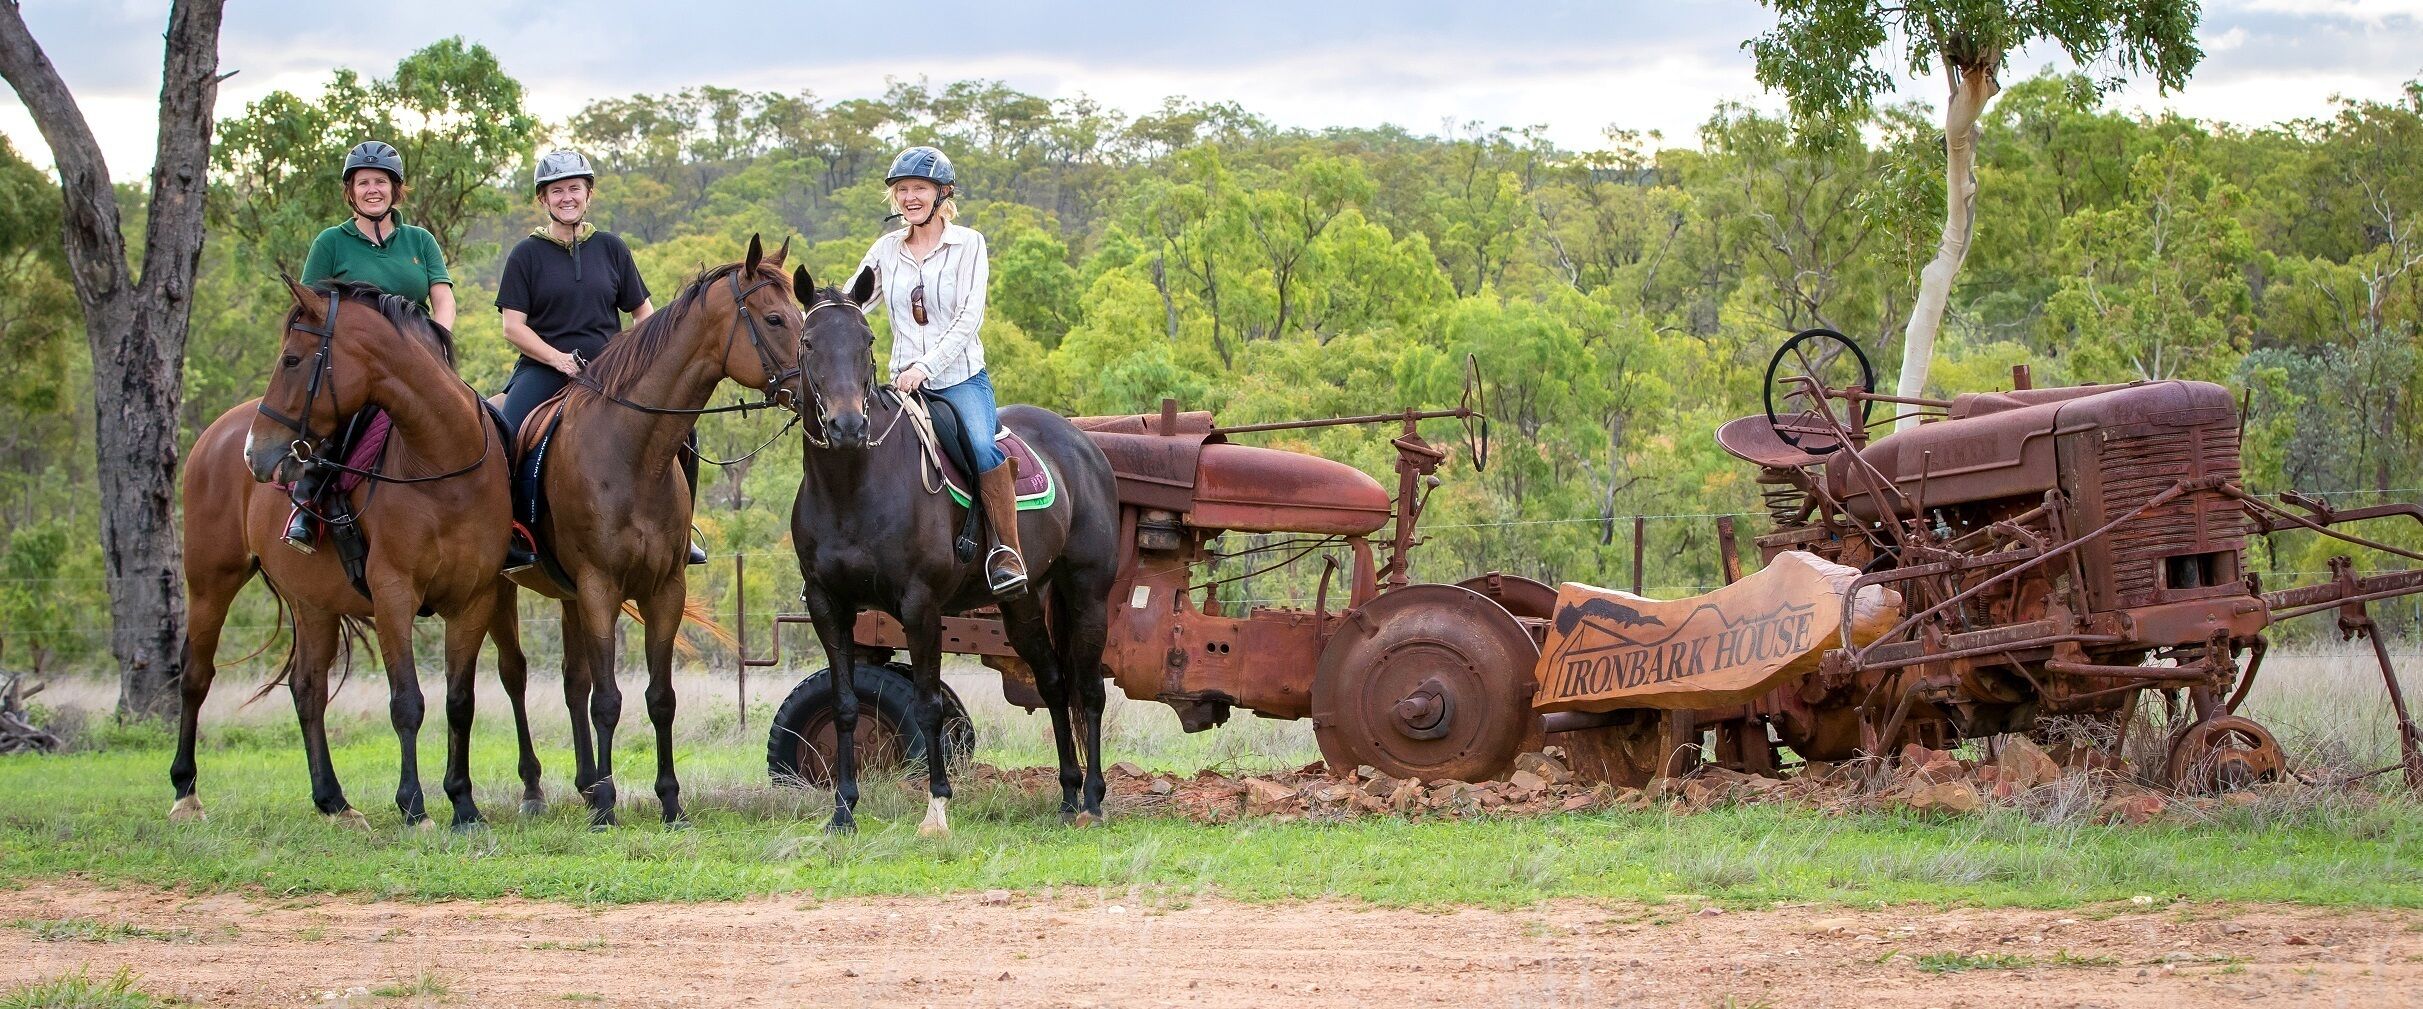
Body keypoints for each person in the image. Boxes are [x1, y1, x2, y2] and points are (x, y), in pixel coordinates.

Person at [494, 150, 704, 566]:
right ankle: (512, 533)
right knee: (508, 430)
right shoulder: (525, 255)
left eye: (575, 188)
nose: (566, 197)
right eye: (557, 191)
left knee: (684, 432)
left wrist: (638, 359)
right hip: (544, 368)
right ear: (543, 199)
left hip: (612, 372)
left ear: (588, 194)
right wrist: (557, 359)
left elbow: (643, 313)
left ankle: (681, 531)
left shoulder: (611, 248)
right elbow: (512, 327)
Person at [853, 145, 1026, 596]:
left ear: (941, 193)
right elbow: (855, 301)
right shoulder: (885, 250)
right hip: (900, 384)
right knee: (852, 443)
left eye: (920, 189)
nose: (910, 197)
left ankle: (1006, 551)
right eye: (902, 189)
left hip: (959, 379)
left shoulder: (969, 244)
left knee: (980, 446)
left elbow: (969, 318)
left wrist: (925, 368)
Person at [281, 140, 457, 553]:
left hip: (419, 361)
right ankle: (307, 506)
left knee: (476, 422)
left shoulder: (420, 241)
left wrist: (437, 341)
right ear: (350, 191)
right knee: (329, 425)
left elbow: (443, 297)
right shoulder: (331, 242)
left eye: (381, 181)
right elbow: (309, 308)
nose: (372, 189)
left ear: (396, 189)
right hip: (356, 365)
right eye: (363, 182)